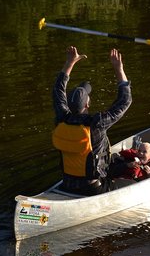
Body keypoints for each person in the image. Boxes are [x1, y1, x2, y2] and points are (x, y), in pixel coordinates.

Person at [52, 46, 132, 196]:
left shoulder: (61, 118)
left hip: (67, 184)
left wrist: (70, 63)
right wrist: (119, 69)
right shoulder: (96, 124)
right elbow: (125, 101)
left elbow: (58, 90)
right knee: (131, 182)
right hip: (93, 189)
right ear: (87, 104)